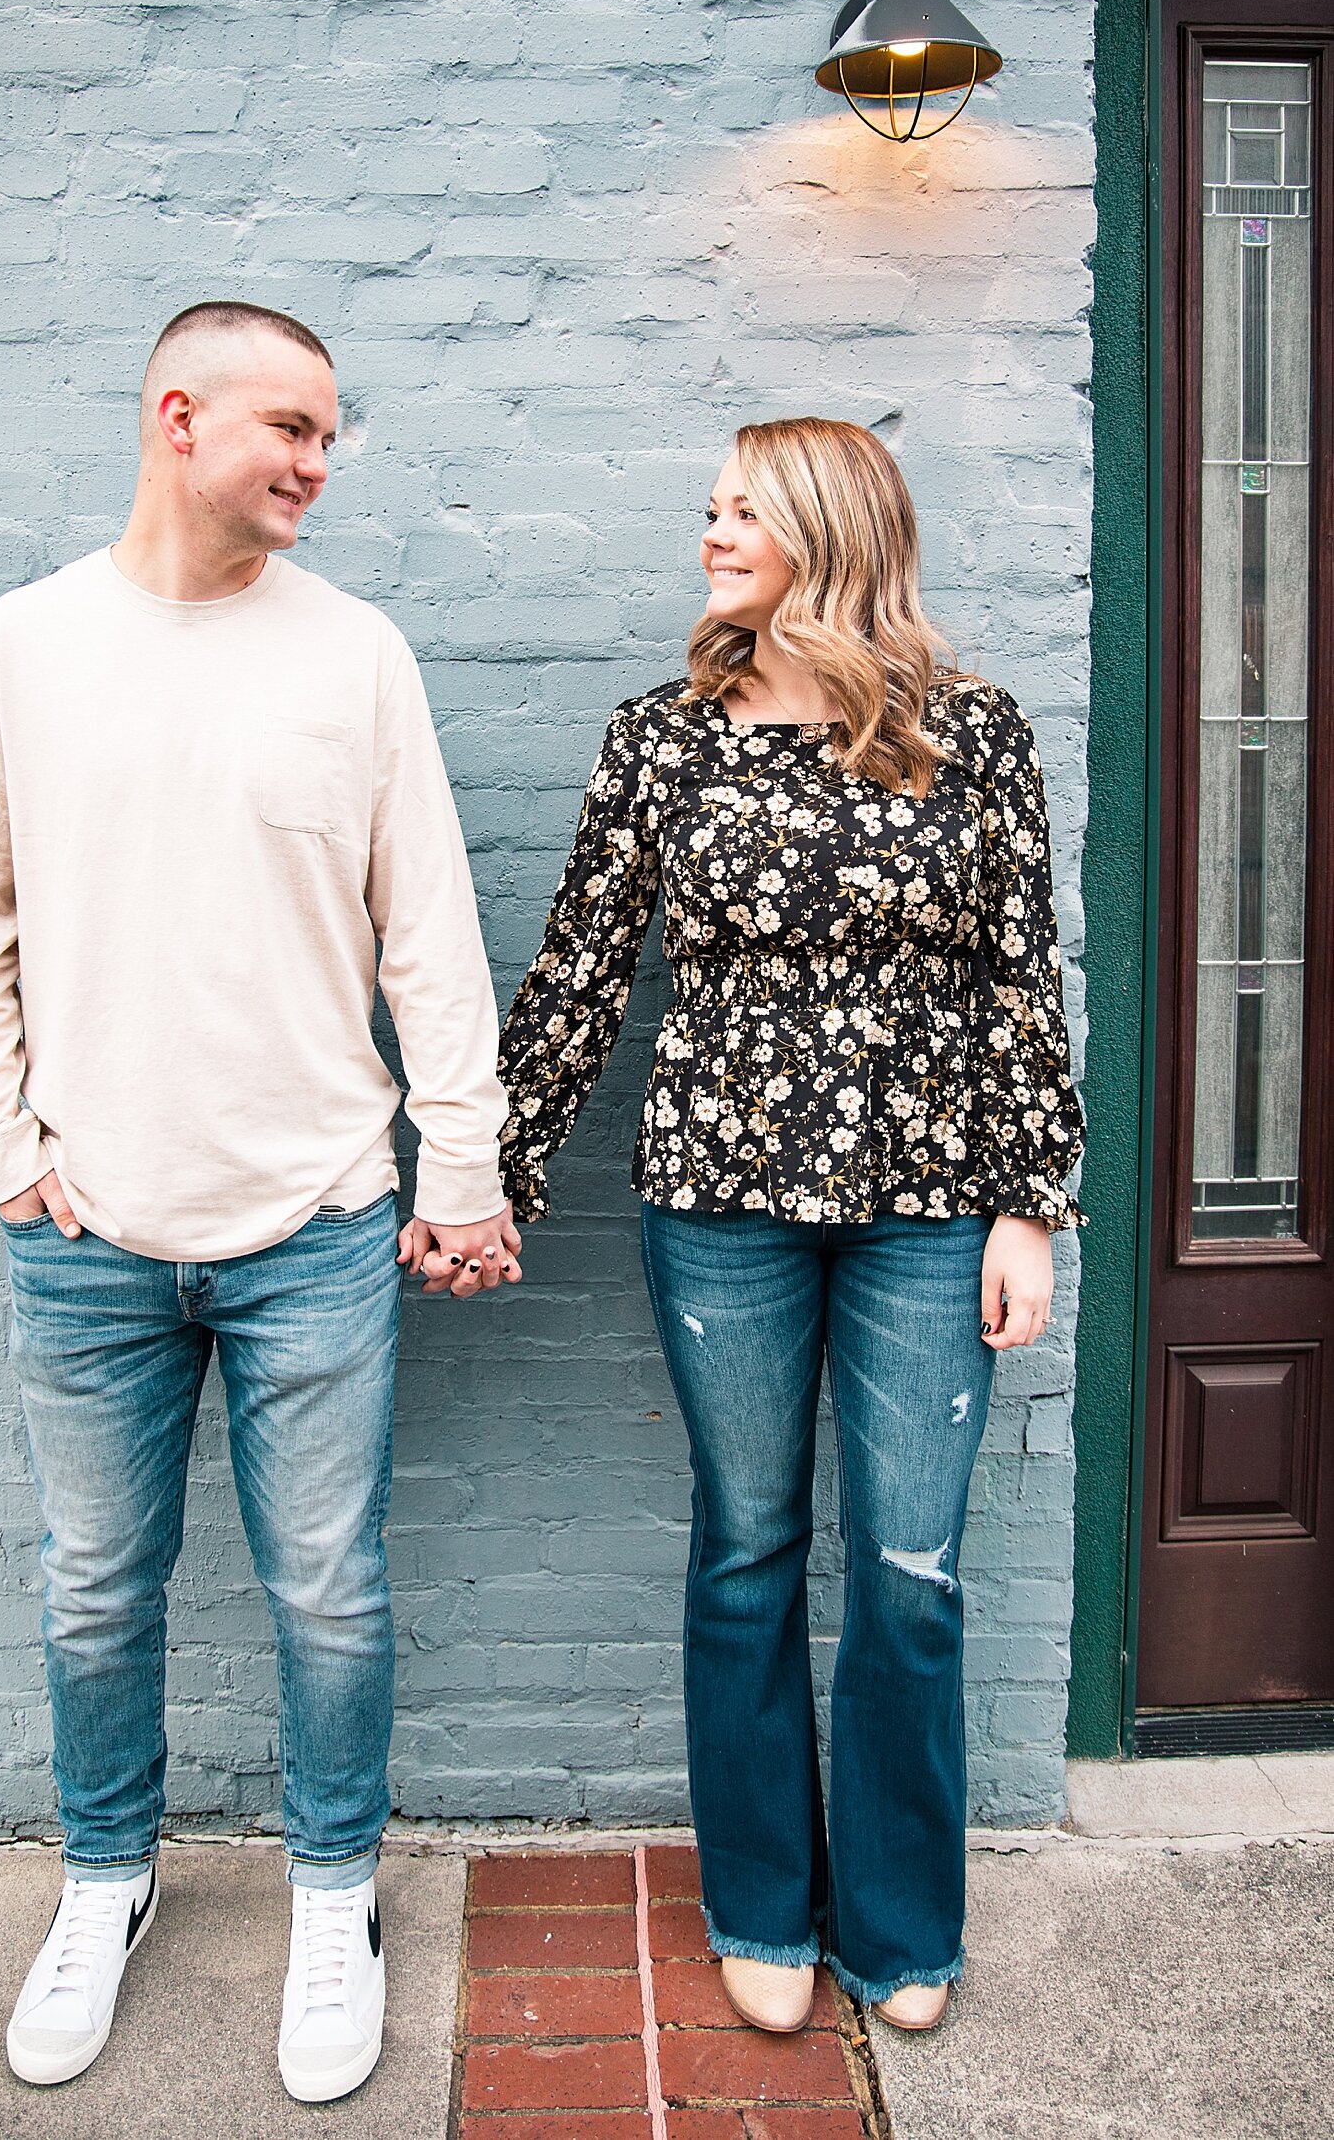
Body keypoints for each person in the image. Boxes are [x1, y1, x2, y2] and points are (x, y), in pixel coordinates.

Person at [0, 300, 520, 2100]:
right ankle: (105, 1879)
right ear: (180, 415)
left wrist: (460, 1161)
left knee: (328, 1588)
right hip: (90, 1236)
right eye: (294, 428)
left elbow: (432, 940)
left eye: (333, 435)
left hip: (321, 1224)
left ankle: (334, 1895)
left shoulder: (357, 659)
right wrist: (13, 1160)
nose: (319, 463)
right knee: (97, 1588)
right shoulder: (22, 649)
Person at [494, 417, 1083, 2036]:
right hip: (722, 1214)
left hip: (924, 1208)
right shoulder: (662, 740)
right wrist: (494, 1166)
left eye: (743, 506)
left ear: (829, 525)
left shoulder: (980, 736)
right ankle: (762, 1897)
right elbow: (579, 975)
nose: (712, 530)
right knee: (747, 1551)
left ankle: (899, 1925)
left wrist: (1028, 1208)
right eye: (709, 505)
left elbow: (1019, 980)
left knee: (910, 1570)